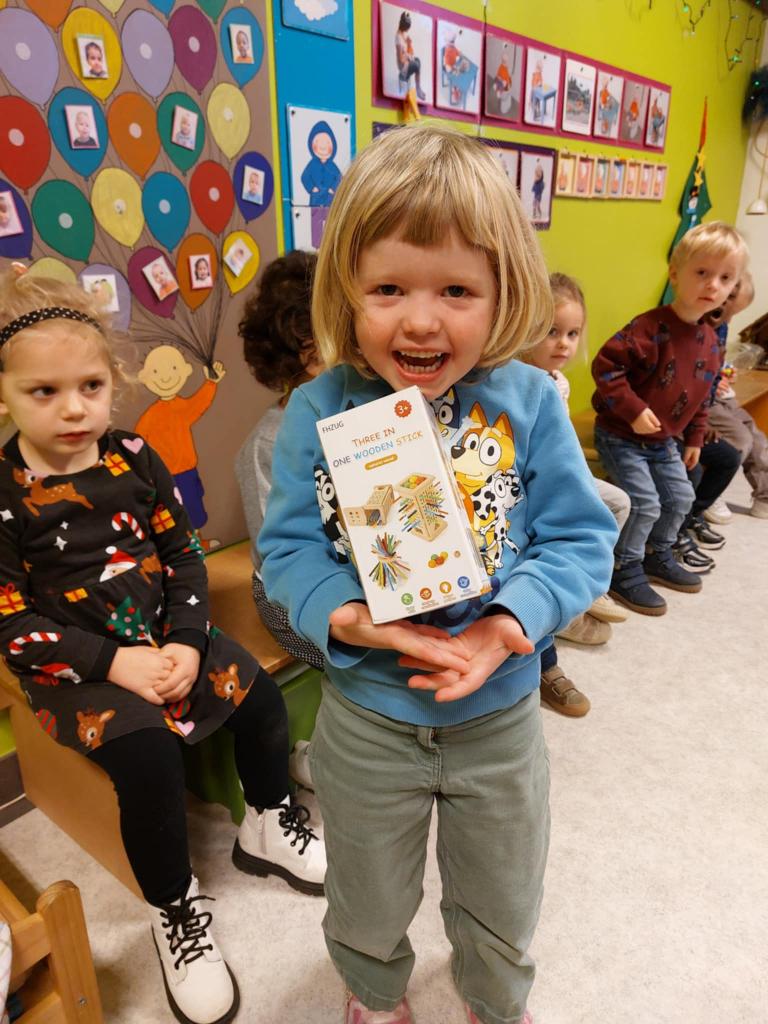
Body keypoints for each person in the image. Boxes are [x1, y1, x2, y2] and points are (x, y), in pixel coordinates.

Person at [259, 124, 617, 1024]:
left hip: (499, 719)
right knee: (367, 891)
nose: (420, 320)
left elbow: (580, 541)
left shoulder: (530, 401)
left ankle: (495, 999)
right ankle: (375, 992)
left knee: (504, 889)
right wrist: (348, 617)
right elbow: (288, 550)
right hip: (368, 717)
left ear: (504, 293)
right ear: (348, 291)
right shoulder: (318, 409)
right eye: (388, 289)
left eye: (456, 290)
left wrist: (509, 625)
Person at [0, 271, 326, 1024]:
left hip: (165, 633)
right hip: (75, 669)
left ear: (112, 382)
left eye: (90, 386)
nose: (73, 408)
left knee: (261, 701)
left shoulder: (135, 455)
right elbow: (10, 623)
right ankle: (174, 908)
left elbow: (182, 555)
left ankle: (268, 820)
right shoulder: (6, 493)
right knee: (148, 758)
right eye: (44, 391)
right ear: (7, 394)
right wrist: (115, 663)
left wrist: (184, 640)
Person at [591, 220, 748, 616]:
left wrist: (695, 439)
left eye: (725, 278)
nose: (712, 285)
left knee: (681, 497)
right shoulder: (649, 327)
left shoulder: (711, 342)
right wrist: (634, 409)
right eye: (702, 272)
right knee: (645, 503)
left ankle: (656, 553)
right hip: (621, 435)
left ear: (733, 287)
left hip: (664, 441)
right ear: (675, 274)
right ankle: (622, 567)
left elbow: (703, 398)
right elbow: (606, 368)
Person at [521, 273, 630, 717]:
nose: (564, 344)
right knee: (533, 550)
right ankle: (548, 658)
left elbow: (560, 450)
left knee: (616, 503)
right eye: (552, 331)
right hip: (522, 489)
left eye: (572, 333)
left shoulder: (558, 383)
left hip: (559, 476)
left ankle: (583, 588)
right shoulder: (516, 382)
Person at [235, 250, 325, 671]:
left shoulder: (371, 416)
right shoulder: (268, 443)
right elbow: (278, 562)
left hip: (362, 574)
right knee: (369, 660)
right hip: (288, 593)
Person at [703, 272, 768, 520]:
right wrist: (712, 379)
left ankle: (764, 498)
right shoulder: (696, 325)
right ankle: (712, 490)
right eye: (730, 310)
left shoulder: (721, 325)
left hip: (721, 395)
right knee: (740, 439)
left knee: (758, 440)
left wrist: (723, 373)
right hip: (704, 401)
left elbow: (716, 362)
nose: (730, 318)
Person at [395, 12, 426, 102]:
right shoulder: (398, 39)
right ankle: (417, 89)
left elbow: (409, 51)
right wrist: (408, 56)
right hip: (403, 66)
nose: (408, 30)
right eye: (407, 28)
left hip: (407, 61)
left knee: (418, 60)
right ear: (404, 26)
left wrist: (409, 44)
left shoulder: (402, 34)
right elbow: (400, 59)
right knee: (416, 66)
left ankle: (418, 87)